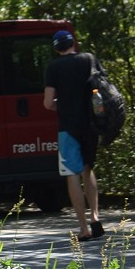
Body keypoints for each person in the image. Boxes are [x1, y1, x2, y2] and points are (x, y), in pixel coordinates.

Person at [43, 29, 104, 242]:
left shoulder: (53, 67)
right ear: (73, 44)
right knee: (88, 170)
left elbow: (48, 103)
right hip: (90, 125)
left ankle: (83, 228)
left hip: (68, 127)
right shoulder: (89, 59)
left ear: (55, 47)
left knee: (72, 174)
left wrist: (63, 104)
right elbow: (101, 89)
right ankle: (96, 216)